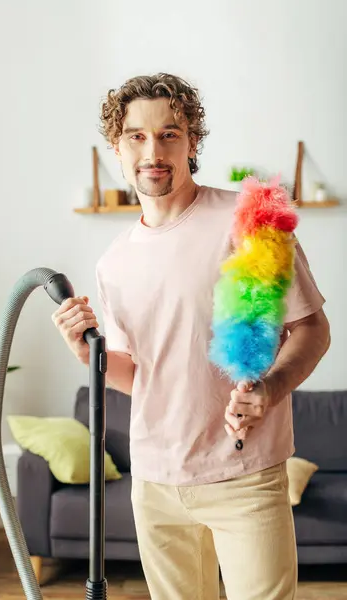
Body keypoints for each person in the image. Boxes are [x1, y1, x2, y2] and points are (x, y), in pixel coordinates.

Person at [52, 73, 330, 600]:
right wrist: (83, 351)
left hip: (244, 475)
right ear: (118, 146)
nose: (153, 150)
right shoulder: (113, 262)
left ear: (192, 141)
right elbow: (142, 376)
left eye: (169, 133)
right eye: (137, 135)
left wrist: (269, 389)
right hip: (155, 481)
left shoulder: (250, 222)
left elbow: (312, 329)